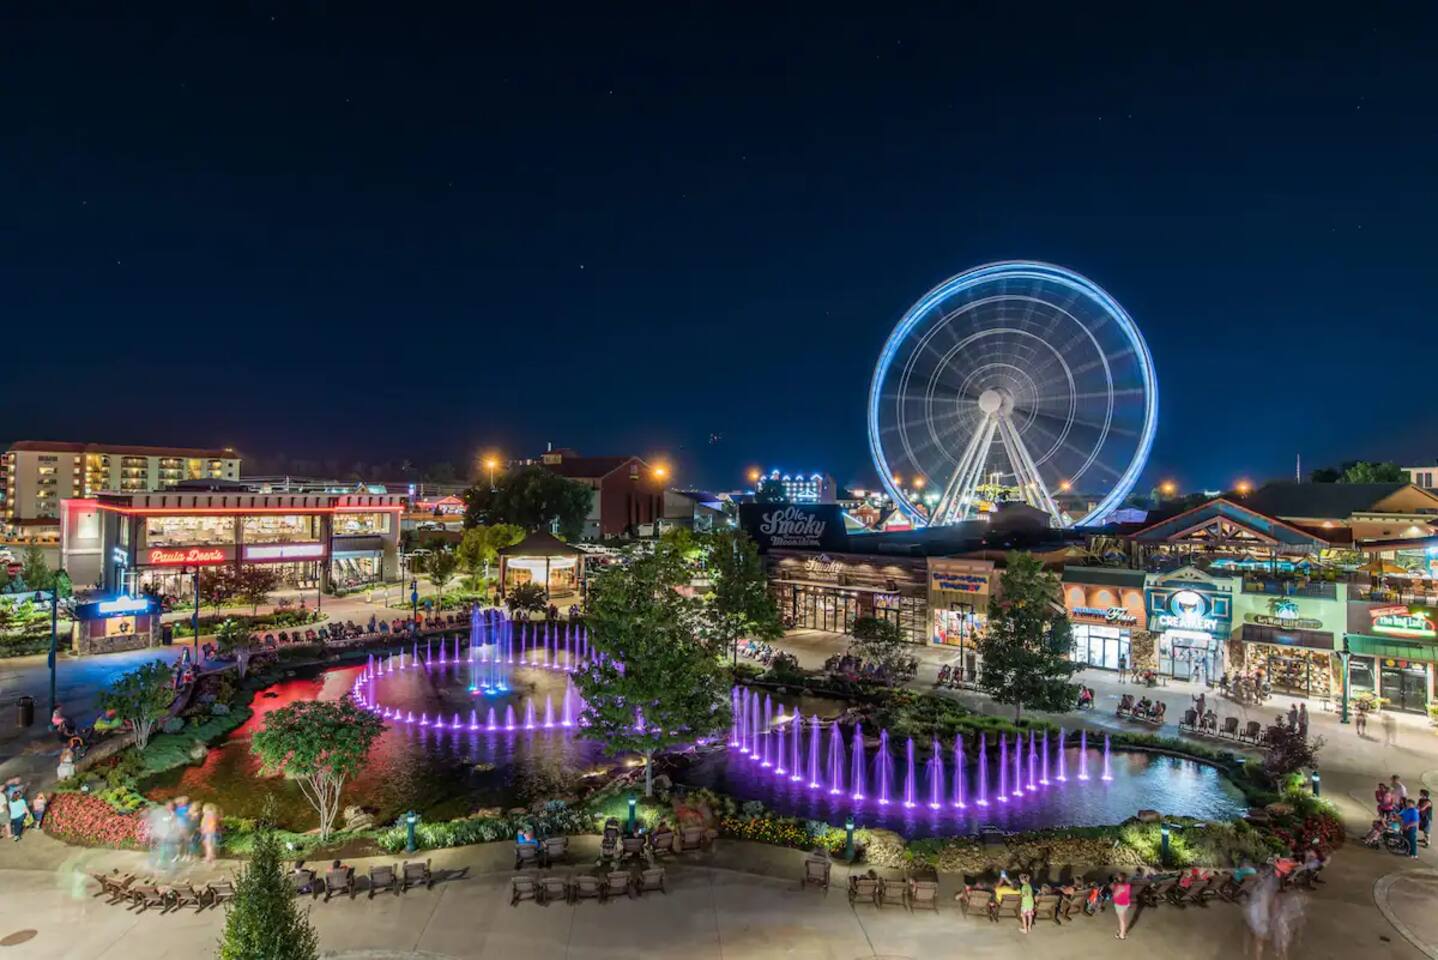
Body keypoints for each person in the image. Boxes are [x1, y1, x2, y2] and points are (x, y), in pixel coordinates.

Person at [1111, 873, 1132, 940]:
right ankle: (1121, 933)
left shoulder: (1116, 886)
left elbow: (1114, 896)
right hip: (1125, 904)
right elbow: (1127, 895)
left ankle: (1121, 934)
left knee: (1122, 920)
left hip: (1119, 905)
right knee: (1123, 920)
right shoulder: (1128, 886)